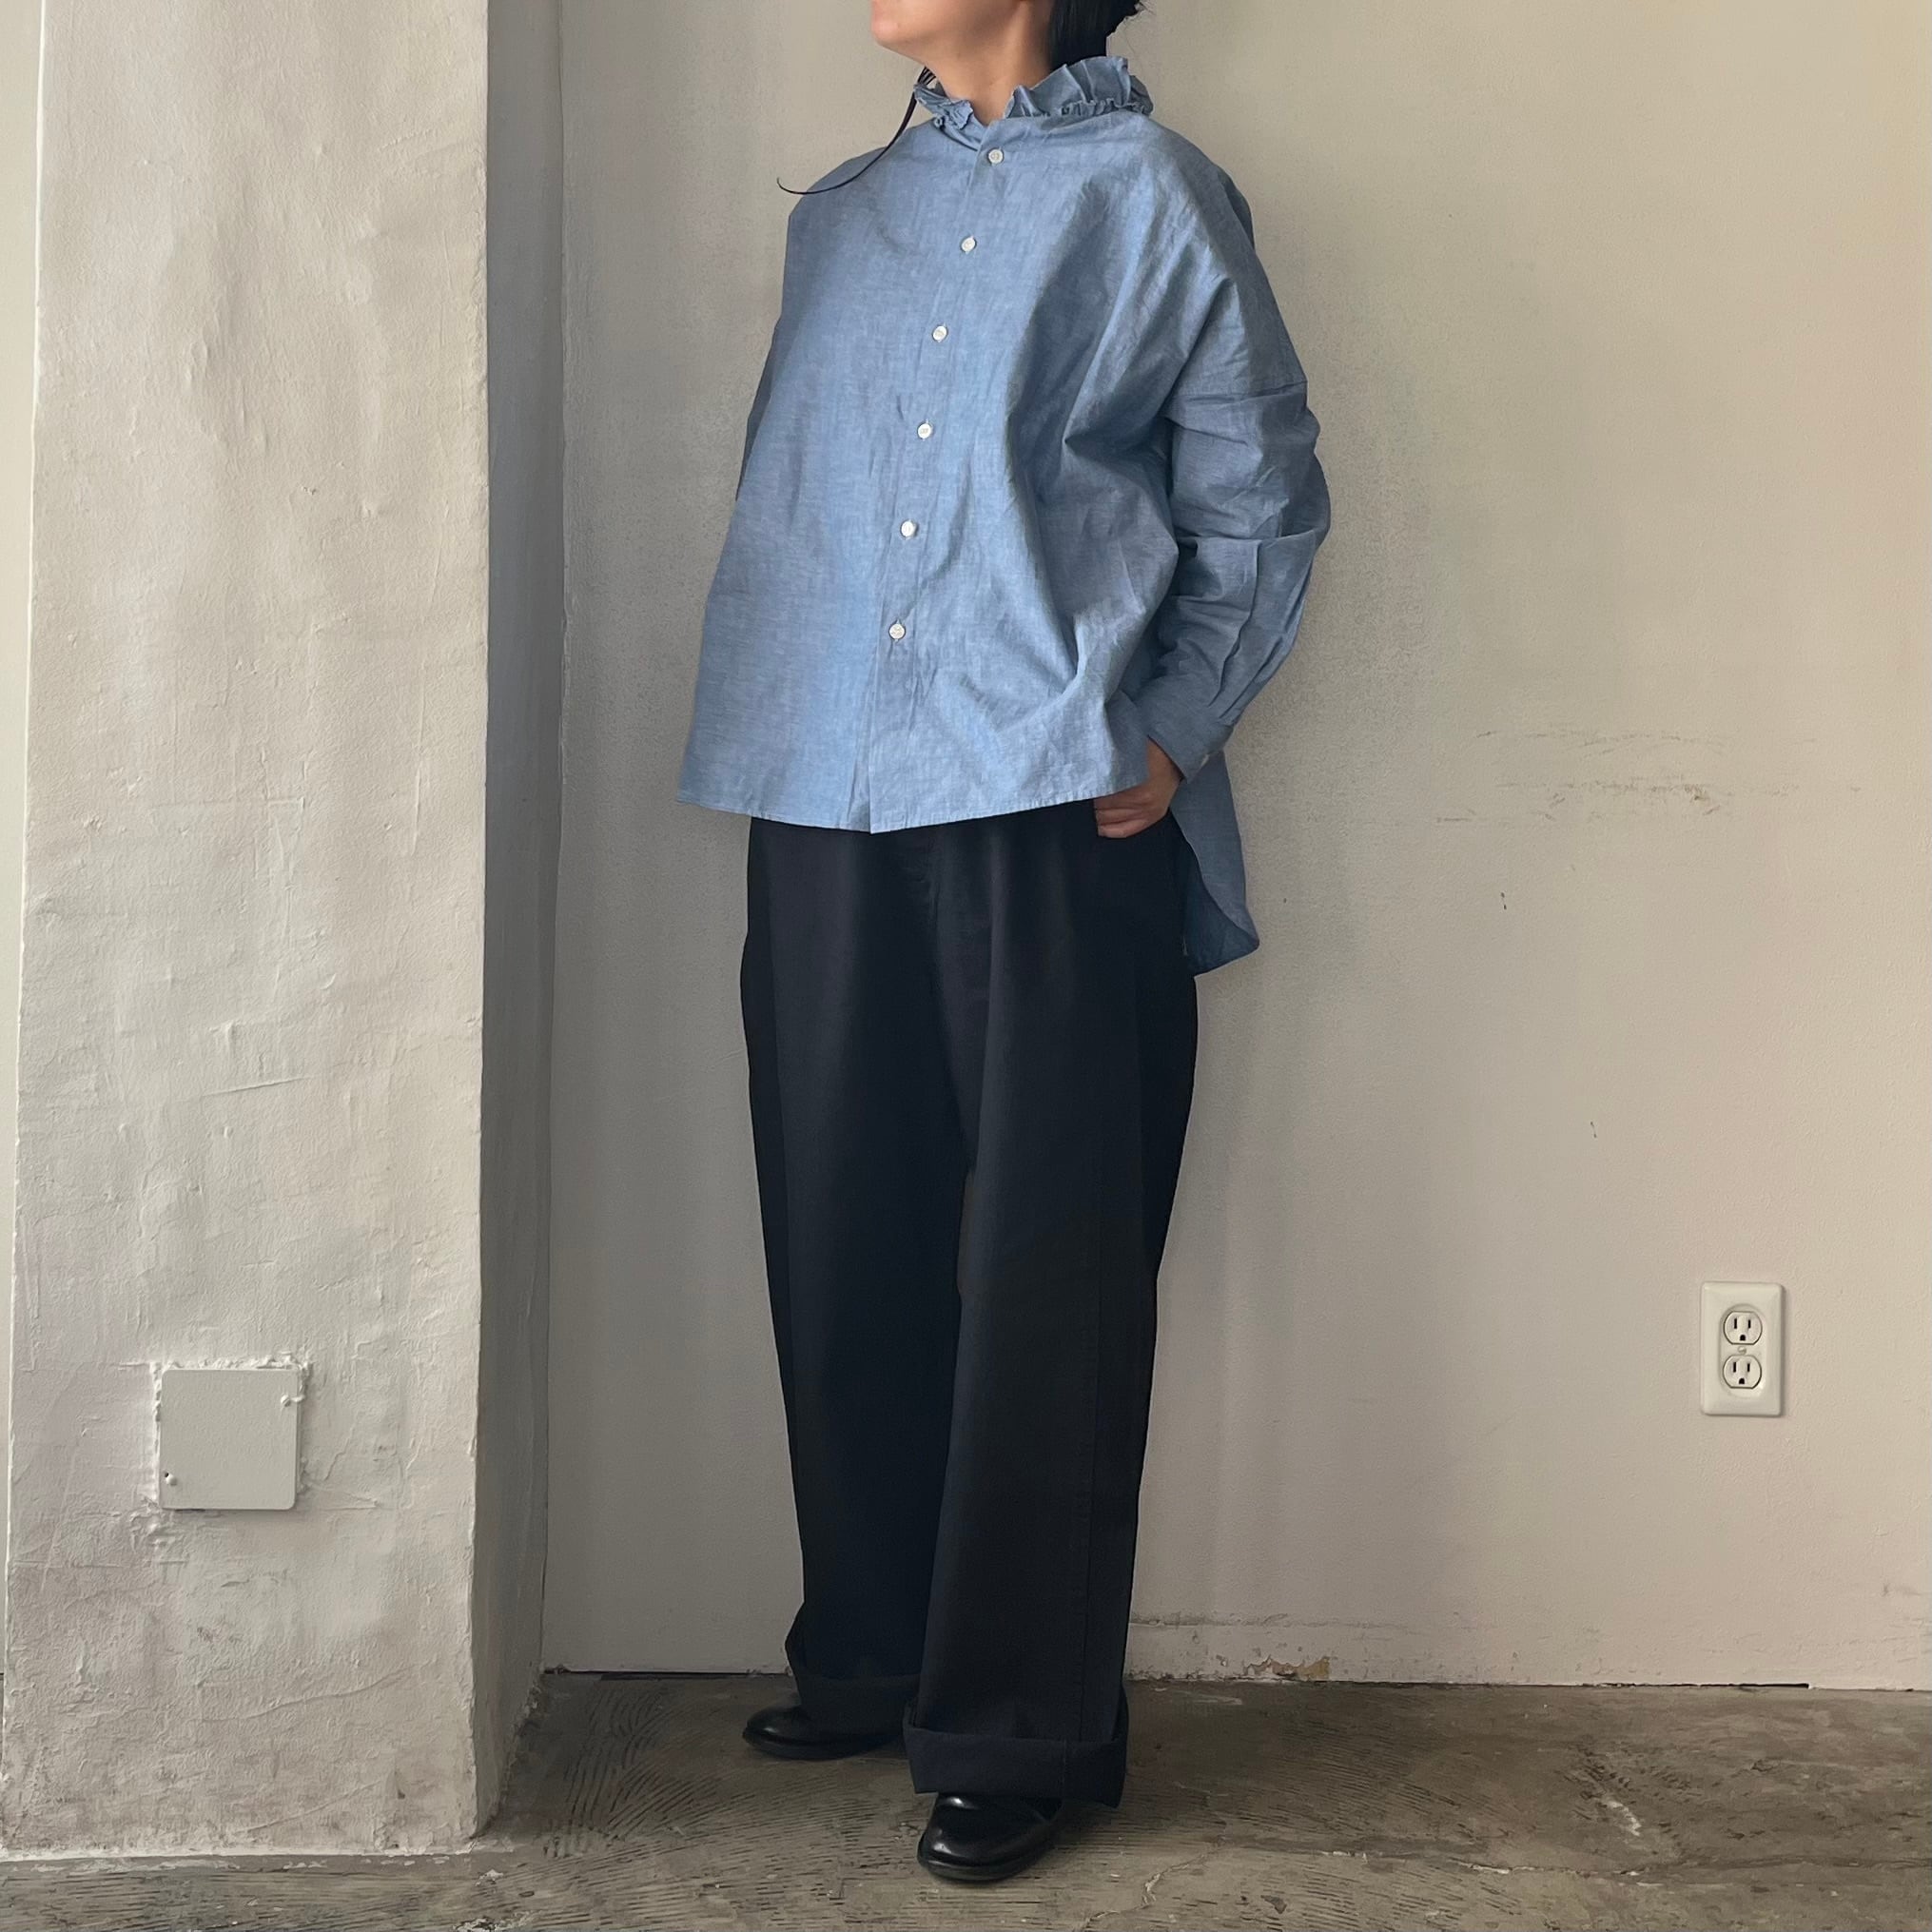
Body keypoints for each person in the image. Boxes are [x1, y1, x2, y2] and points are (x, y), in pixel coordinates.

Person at [674, 0, 1331, 1885]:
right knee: (842, 1228)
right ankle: (875, 1650)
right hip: (817, 783)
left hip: (1049, 793)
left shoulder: (1153, 196)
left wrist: (1174, 724)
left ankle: (1016, 1721)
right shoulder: (842, 214)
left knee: (1046, 1271)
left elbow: (1261, 497)